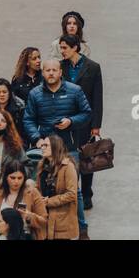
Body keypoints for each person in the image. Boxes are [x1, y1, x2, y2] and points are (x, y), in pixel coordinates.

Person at [23, 57, 93, 236]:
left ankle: (81, 227)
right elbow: (28, 119)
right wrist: (37, 138)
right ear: (43, 73)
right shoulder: (35, 94)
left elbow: (86, 113)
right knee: (44, 188)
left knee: (73, 191)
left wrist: (71, 121)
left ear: (61, 72)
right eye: (47, 70)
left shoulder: (75, 91)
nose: (51, 73)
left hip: (68, 148)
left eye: (54, 70)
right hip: (45, 151)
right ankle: (46, 226)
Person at [59, 33, 103, 211]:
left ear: (75, 47)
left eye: (64, 48)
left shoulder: (93, 68)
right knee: (67, 158)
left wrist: (96, 125)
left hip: (85, 120)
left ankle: (86, 193)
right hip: (66, 121)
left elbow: (97, 98)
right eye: (60, 48)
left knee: (86, 158)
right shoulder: (61, 67)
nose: (62, 51)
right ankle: (71, 192)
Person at [35, 134, 80, 240]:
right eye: (42, 145)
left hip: (62, 221)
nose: (42, 147)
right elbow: (38, 187)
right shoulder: (42, 165)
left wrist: (48, 201)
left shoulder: (68, 166)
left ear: (55, 147)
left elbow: (72, 194)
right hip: (45, 216)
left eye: (46, 145)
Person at [0, 158, 47, 240]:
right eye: (12, 178)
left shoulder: (32, 193)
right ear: (6, 177)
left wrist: (28, 216)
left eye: (19, 178)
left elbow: (44, 221)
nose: (16, 181)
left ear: (24, 177)